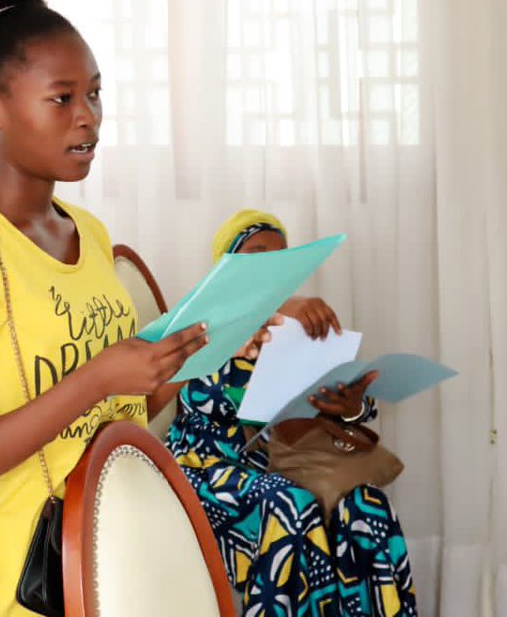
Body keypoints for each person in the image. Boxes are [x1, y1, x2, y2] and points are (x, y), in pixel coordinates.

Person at [0, 0, 216, 616]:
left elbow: (119, 408)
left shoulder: (87, 234)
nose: (88, 118)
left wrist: (190, 353)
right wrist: (97, 378)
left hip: (80, 567)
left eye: (95, 94)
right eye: (62, 98)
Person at [166, 210, 417, 616]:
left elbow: (347, 407)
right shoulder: (200, 322)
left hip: (281, 463)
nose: (272, 265)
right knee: (290, 503)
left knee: (366, 503)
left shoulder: (301, 326)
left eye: (281, 256)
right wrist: (273, 311)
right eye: (257, 254)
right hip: (205, 466)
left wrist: (350, 406)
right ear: (227, 267)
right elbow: (206, 396)